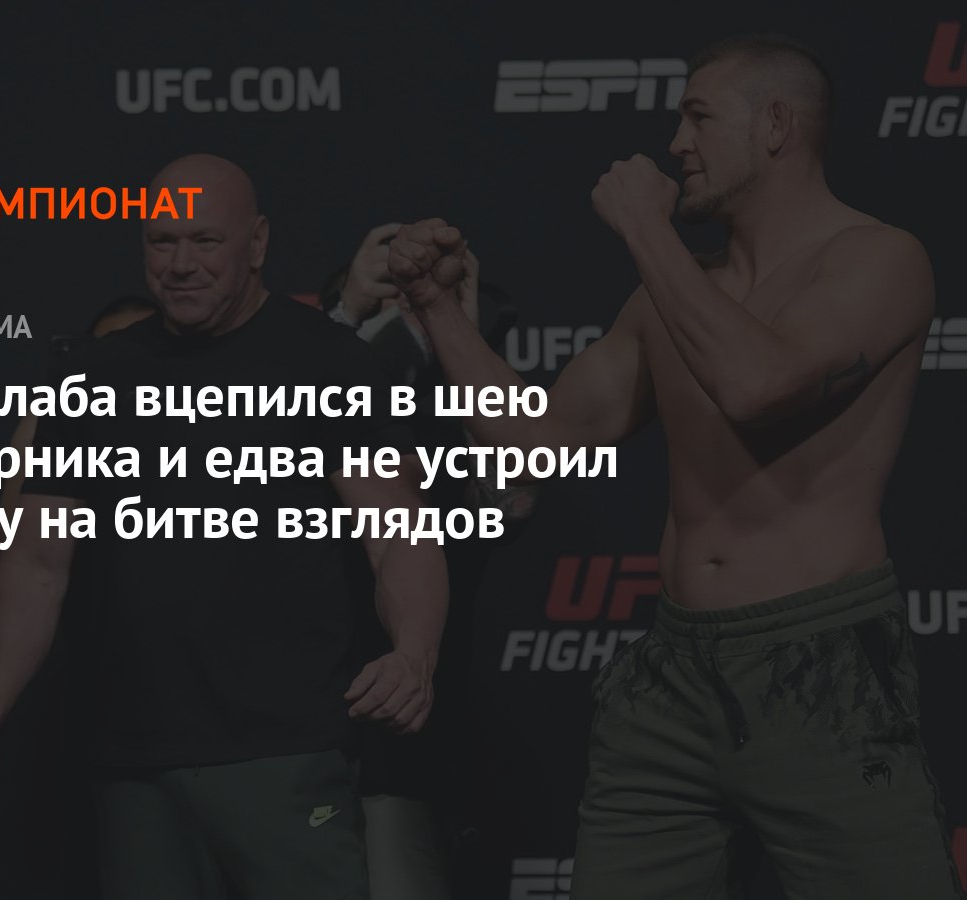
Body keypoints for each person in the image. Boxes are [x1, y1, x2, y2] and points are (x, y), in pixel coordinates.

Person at [388, 33, 964, 900]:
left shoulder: (880, 260)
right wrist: (438, 309)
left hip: (823, 665)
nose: (675, 143)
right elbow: (533, 446)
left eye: (698, 118)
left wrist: (644, 229)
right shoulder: (675, 290)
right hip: (673, 675)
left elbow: (758, 384)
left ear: (776, 127)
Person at [0, 153, 449, 900]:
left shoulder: (330, 365)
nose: (181, 263)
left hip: (286, 755)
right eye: (162, 240)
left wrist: (414, 653)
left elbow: (399, 537)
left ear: (257, 242)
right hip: (132, 768)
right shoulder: (93, 377)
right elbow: (35, 565)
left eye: (205, 241)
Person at [324, 226, 537, 900]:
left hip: (410, 744)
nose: (414, 302)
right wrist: (346, 315)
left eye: (434, 289)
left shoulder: (463, 421)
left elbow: (515, 495)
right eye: (397, 288)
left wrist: (456, 332)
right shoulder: (319, 386)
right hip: (291, 738)